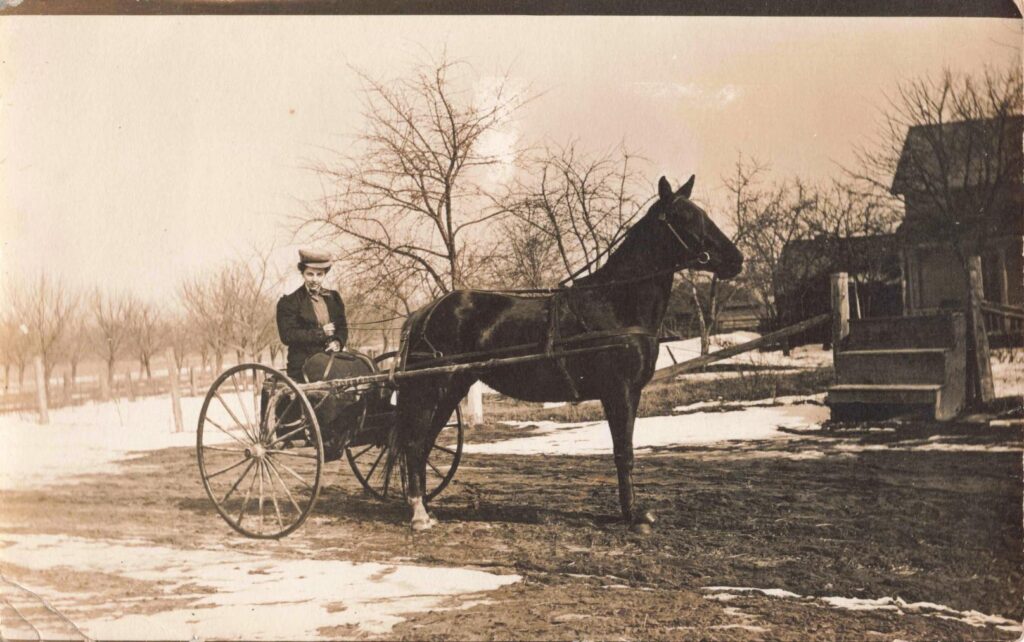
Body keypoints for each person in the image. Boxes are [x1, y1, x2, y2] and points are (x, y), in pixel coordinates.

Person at [276, 249, 348, 381]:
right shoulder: (289, 302)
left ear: (324, 275)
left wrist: (338, 341)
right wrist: (320, 333)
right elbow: (287, 335)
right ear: (302, 274)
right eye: (310, 274)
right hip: (304, 364)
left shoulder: (334, 298)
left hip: (332, 360)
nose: (314, 279)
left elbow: (342, 327)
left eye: (319, 274)